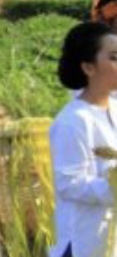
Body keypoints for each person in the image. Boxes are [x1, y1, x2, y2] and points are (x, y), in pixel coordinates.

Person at [50, 21, 117, 257]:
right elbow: (69, 184)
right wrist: (112, 186)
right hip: (83, 241)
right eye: (114, 57)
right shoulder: (73, 120)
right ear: (89, 67)